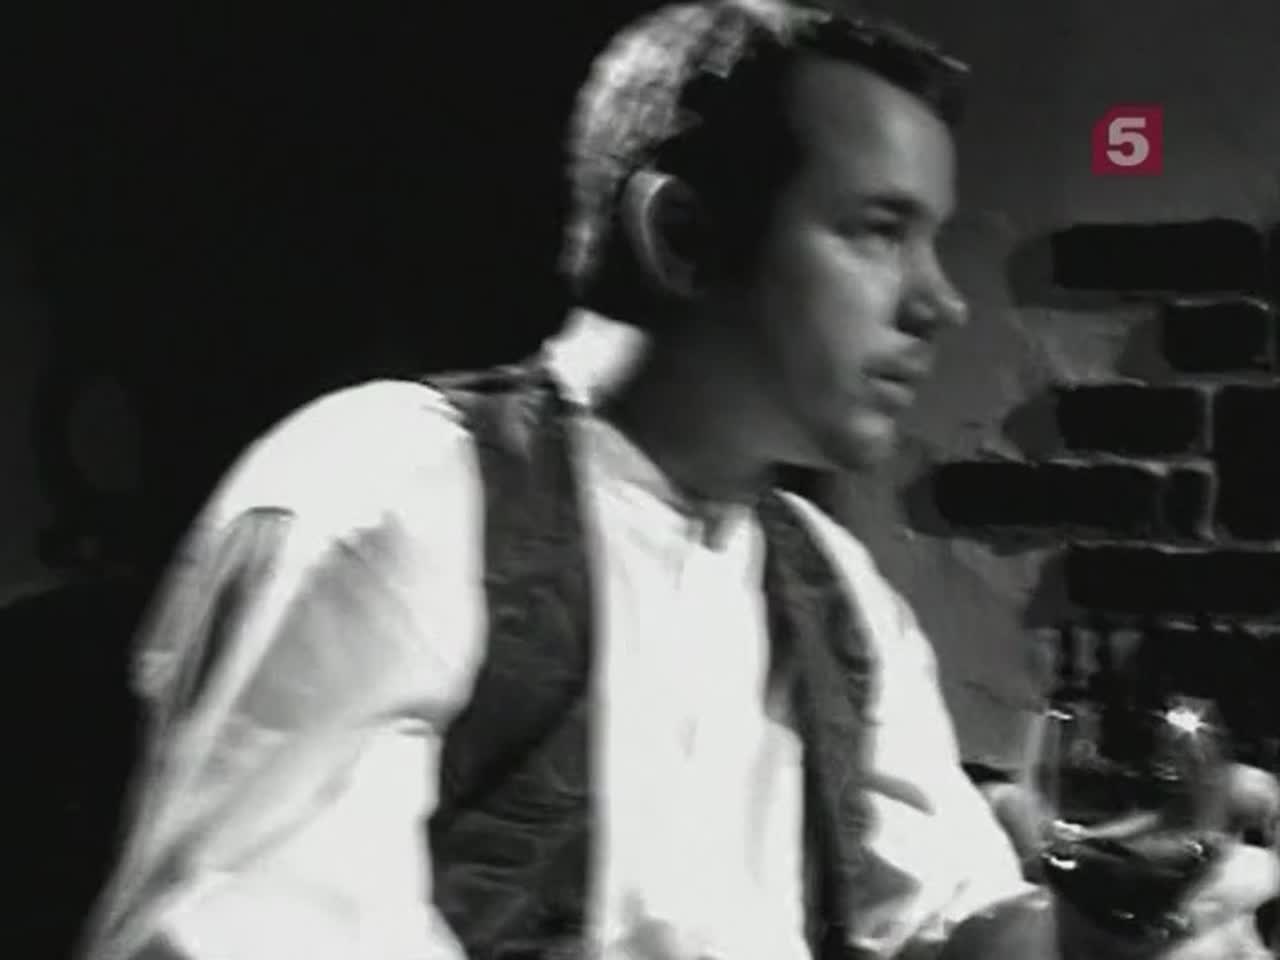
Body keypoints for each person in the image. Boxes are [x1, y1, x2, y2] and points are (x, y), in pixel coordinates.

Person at [79, 2, 1279, 959]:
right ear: (684, 236)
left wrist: (1112, 921)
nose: (939, 301)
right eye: (876, 230)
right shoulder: (399, 494)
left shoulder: (831, 586)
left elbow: (942, 930)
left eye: (931, 237)